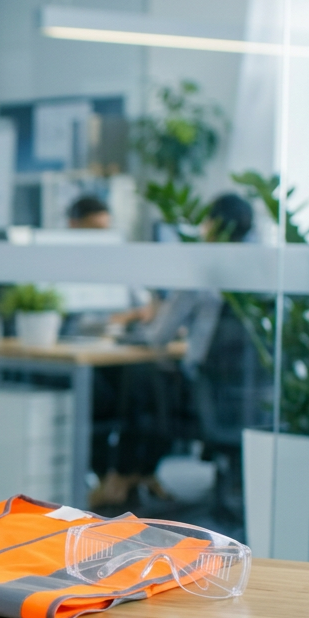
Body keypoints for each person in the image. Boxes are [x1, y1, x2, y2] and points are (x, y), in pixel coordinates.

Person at [90, 193, 255, 506]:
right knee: (147, 386)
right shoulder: (262, 270)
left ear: (213, 227)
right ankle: (132, 477)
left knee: (141, 387)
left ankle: (122, 478)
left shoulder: (204, 269)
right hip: (251, 398)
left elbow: (158, 337)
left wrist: (143, 326)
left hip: (208, 393)